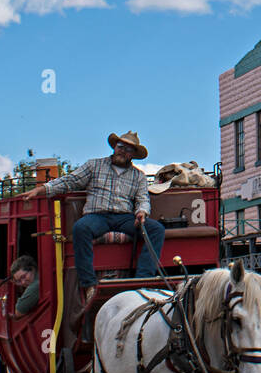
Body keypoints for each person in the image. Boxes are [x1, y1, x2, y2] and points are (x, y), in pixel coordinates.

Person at [24, 130, 165, 310]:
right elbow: (69, 181)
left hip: (124, 217)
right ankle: (89, 284)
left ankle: (143, 280)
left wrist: (142, 212)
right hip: (97, 216)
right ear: (114, 147)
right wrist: (41, 190)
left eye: (128, 149)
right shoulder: (94, 166)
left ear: (133, 155)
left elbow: (143, 199)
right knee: (81, 228)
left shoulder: (138, 176)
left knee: (156, 229)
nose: (123, 151)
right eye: (121, 146)